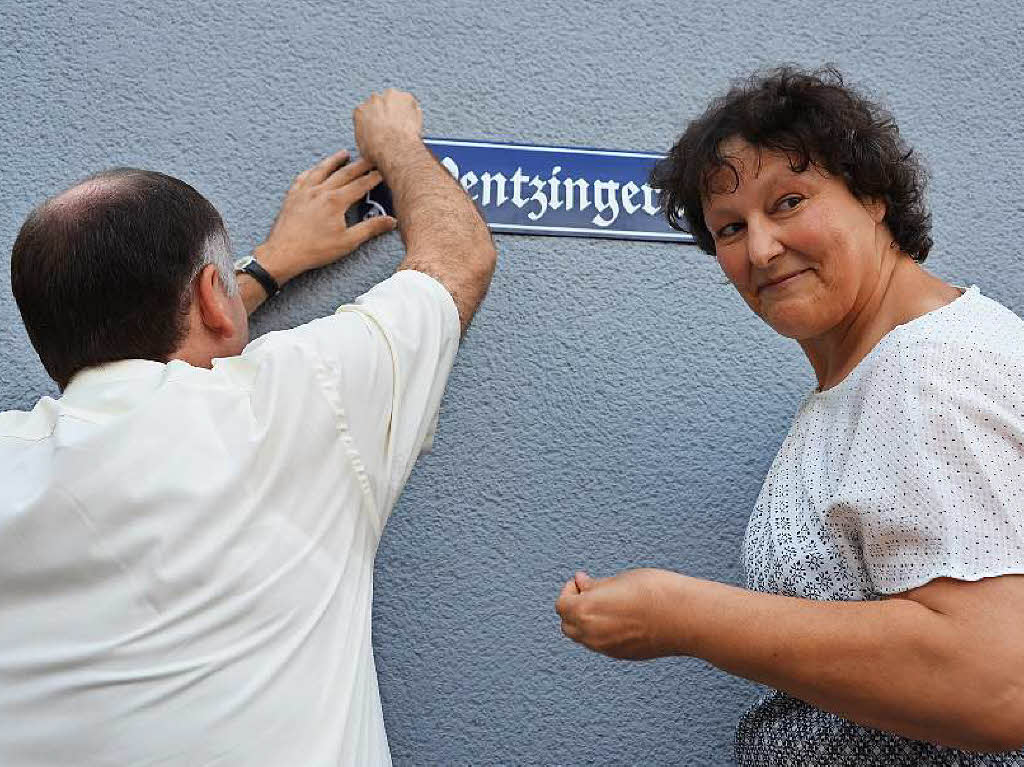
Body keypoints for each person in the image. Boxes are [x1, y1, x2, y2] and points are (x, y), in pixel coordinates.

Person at [0, 89, 495, 766]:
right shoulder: (294, 404)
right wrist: (396, 142)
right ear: (211, 294)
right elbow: (455, 260)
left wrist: (263, 268)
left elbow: (152, 353)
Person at [555, 67, 1024, 765]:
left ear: (872, 196)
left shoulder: (933, 366)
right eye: (731, 228)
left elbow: (998, 682)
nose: (763, 248)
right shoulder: (862, 378)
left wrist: (682, 614)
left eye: (790, 201)